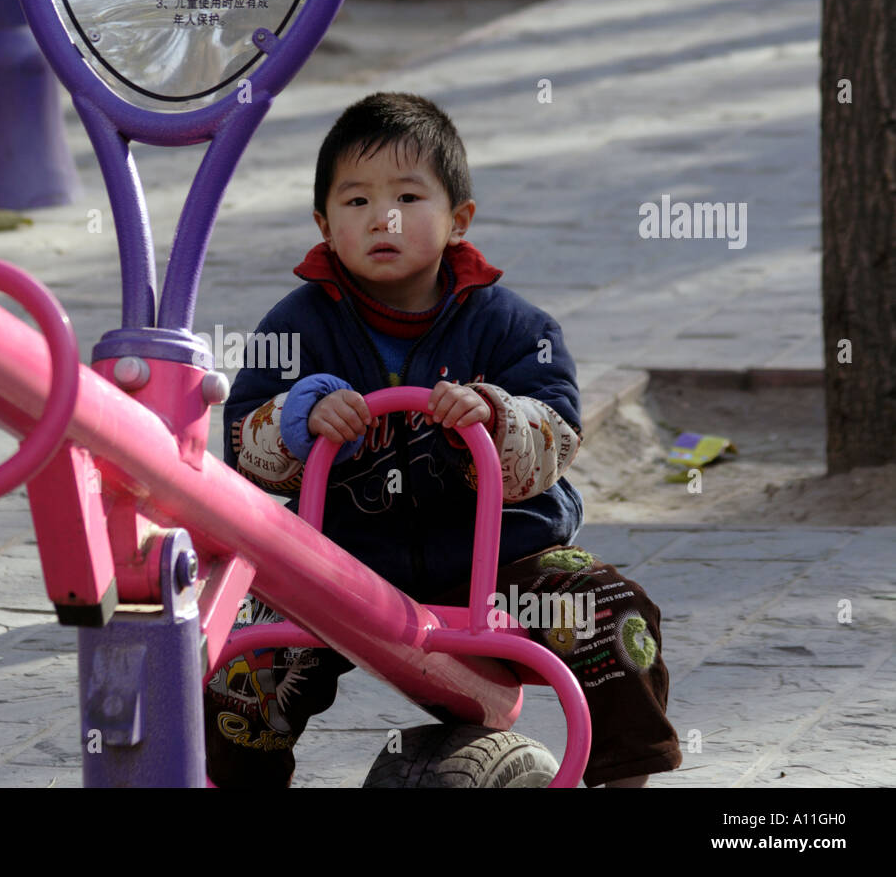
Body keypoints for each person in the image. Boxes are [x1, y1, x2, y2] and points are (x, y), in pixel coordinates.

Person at [207, 92, 681, 788]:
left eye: (407, 196)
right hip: (347, 563)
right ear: (323, 223)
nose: (384, 218)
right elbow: (241, 447)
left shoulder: (516, 328)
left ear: (459, 220)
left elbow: (557, 434)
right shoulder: (300, 324)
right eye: (356, 201)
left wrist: (493, 418)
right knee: (242, 657)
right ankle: (240, 780)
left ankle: (624, 777)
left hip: (503, 560)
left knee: (612, 612)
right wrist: (296, 419)